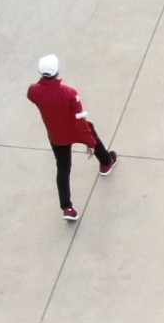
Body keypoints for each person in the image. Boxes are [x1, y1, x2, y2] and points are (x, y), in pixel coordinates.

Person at [27, 55, 119, 221]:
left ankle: (67, 208)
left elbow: (34, 96)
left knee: (63, 169)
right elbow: (80, 120)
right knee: (89, 129)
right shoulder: (70, 93)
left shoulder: (33, 91)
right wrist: (90, 143)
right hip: (74, 129)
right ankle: (106, 163)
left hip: (56, 135)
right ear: (57, 71)